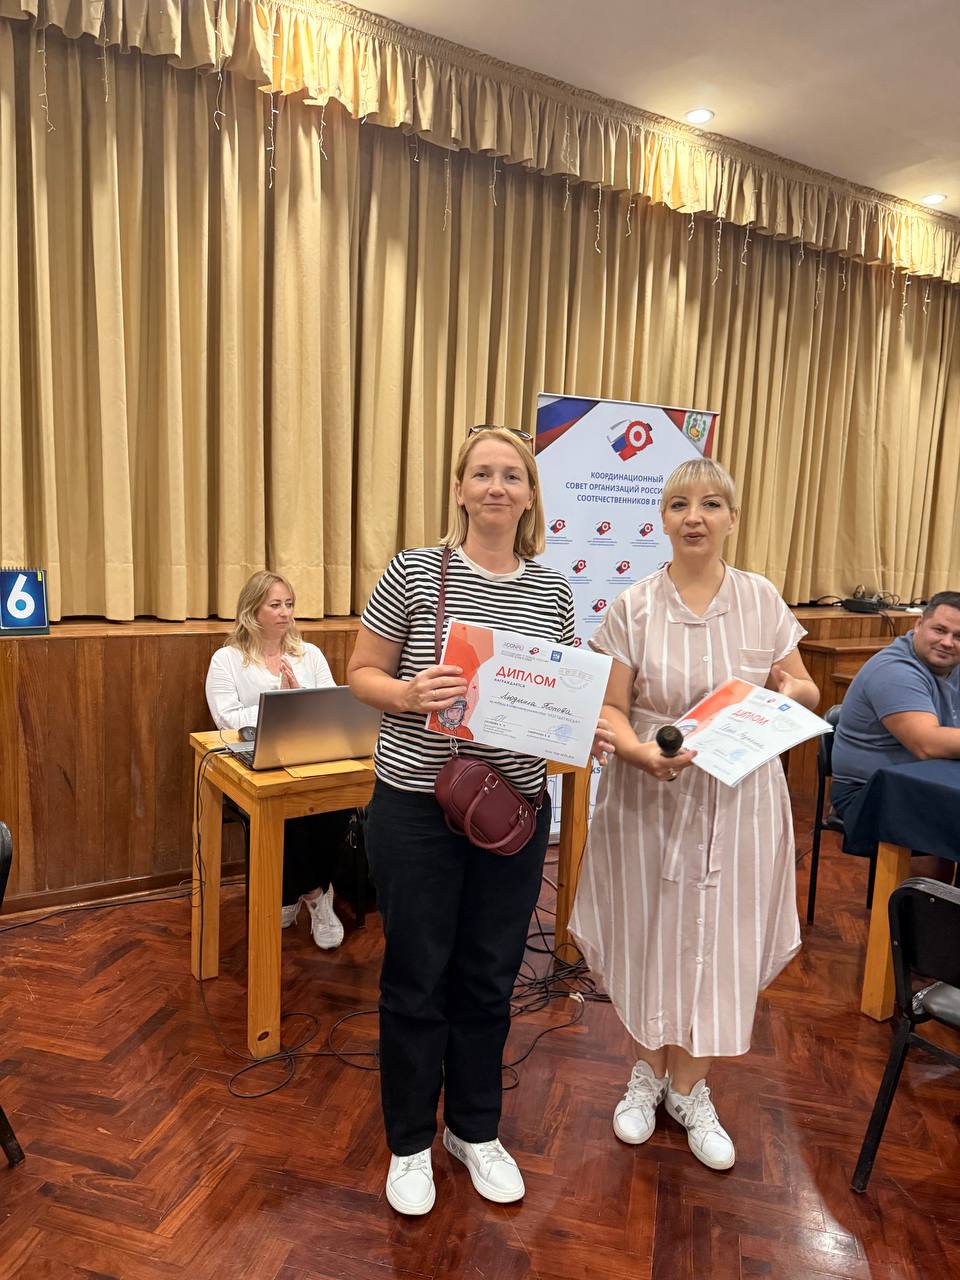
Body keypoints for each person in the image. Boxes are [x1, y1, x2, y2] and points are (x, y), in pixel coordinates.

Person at [348, 425, 609, 1216]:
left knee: (492, 975)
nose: (497, 486)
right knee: (416, 974)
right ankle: (408, 1144)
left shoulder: (553, 590)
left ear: (530, 496)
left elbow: (558, 694)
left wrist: (581, 726)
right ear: (459, 489)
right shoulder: (414, 570)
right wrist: (406, 694)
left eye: (512, 475)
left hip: (513, 813)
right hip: (416, 807)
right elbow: (360, 673)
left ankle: (474, 1129)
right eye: (482, 474)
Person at [569, 458, 819, 1172]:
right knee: (649, 928)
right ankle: (646, 1074)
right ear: (663, 518)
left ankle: (690, 1088)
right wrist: (639, 752)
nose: (695, 517)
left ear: (732, 518)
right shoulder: (634, 606)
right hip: (650, 791)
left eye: (711, 504)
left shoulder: (761, 598)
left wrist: (789, 698)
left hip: (741, 796)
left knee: (723, 936)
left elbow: (801, 684)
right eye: (679, 504)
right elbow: (611, 709)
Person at [205, 570, 351, 949]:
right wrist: (280, 703)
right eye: (275, 605)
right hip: (256, 763)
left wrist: (299, 700)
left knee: (338, 804)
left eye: (289, 604)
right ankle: (317, 895)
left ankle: (294, 892)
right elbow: (226, 719)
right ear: (252, 610)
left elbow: (330, 708)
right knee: (286, 809)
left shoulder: (309, 654)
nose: (285, 612)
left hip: (311, 759)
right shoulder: (227, 659)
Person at [830, 591, 960, 879]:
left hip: (930, 785)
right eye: (940, 630)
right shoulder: (895, 671)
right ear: (918, 625)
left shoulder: (952, 665)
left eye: (958, 636)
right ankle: (916, 906)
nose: (948, 642)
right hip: (870, 795)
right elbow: (927, 744)